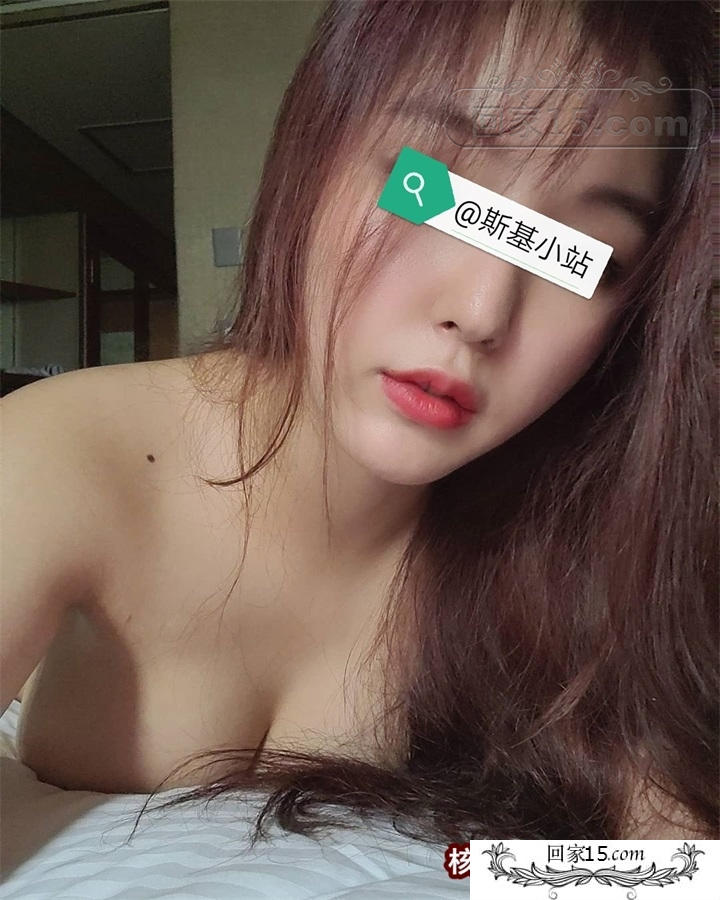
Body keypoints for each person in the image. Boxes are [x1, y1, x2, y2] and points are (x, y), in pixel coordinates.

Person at [2, 0, 716, 843]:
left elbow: (680, 871)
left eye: (574, 257)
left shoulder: (578, 554)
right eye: (432, 188)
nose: (481, 311)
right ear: (312, 156)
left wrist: (464, 880)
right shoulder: (65, 452)